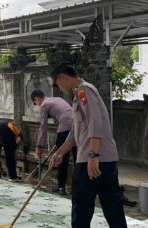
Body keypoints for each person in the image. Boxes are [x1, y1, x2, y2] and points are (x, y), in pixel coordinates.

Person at [50, 63, 126, 228]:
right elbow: (75, 132)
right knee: (112, 205)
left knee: (82, 206)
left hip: (90, 160)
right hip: (104, 159)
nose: (60, 88)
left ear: (62, 77)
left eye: (58, 84)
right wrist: (60, 153)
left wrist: (93, 155)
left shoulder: (84, 90)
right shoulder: (79, 94)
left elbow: (94, 123)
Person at [31, 89, 77, 195]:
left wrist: (39, 146)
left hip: (65, 126)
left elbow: (43, 127)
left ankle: (61, 187)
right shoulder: (57, 99)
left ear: (37, 98)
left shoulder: (43, 105)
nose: (38, 105)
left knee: (61, 157)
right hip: (77, 126)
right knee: (77, 157)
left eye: (36, 103)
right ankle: (76, 187)